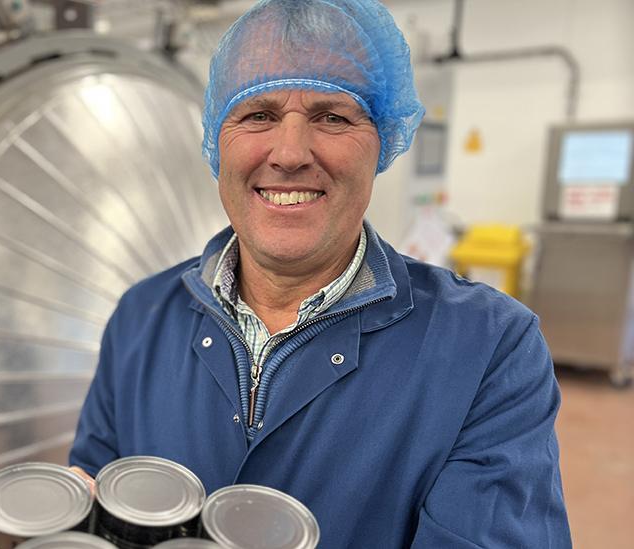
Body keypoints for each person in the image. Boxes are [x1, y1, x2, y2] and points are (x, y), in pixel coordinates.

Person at [69, 0, 572, 546]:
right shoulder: (142, 316)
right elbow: (99, 508)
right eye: (258, 114)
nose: (289, 153)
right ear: (219, 138)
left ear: (382, 140)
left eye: (332, 116)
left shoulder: (490, 348)